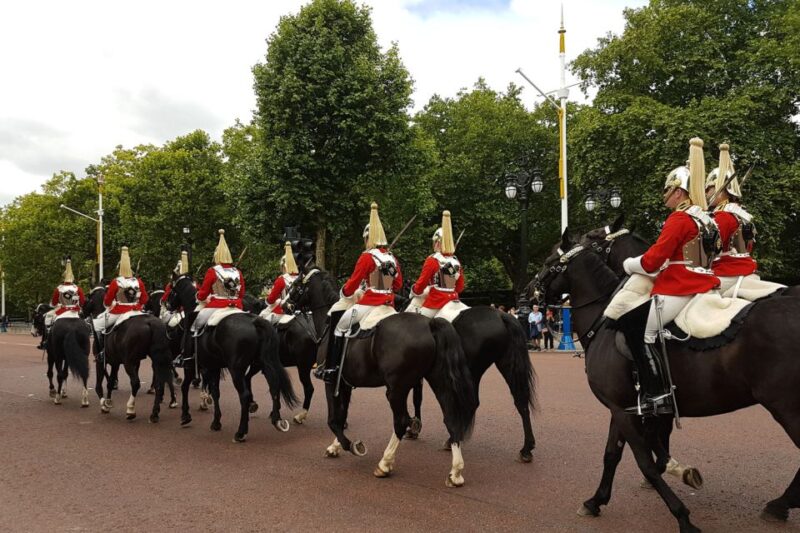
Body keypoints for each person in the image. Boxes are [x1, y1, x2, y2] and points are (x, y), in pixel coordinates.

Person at [623, 137, 721, 416]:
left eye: (668, 190)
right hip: (704, 282)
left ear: (679, 192)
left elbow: (654, 261)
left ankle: (658, 394)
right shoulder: (706, 219)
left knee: (638, 329)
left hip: (681, 286)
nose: (664, 195)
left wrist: (630, 264)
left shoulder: (679, 219)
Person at [315, 202, 403, 383]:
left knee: (340, 325)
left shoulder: (367, 256)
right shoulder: (392, 258)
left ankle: (332, 368)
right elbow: (398, 284)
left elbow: (353, 283)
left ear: (367, 238)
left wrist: (346, 293)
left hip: (370, 303)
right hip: (389, 304)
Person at [705, 143, 784, 298]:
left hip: (727, 272)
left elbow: (708, 251)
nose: (706, 192)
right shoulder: (742, 214)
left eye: (708, 188)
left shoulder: (722, 216)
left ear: (720, 188)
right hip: (747, 268)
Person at [409, 210, 466, 318]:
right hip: (454, 299)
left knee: (417, 322)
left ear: (437, 242)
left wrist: (414, 291)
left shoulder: (433, 260)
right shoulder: (455, 261)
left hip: (436, 302)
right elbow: (460, 287)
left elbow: (422, 283)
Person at [93, 247, 148, 352]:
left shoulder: (116, 282)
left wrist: (107, 305)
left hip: (119, 311)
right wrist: (137, 305)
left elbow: (108, 301)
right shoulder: (138, 282)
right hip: (136, 310)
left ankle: (101, 351)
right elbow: (144, 299)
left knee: (97, 325)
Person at [191, 229, 244, 334]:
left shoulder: (212, 271)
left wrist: (199, 297)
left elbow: (203, 294)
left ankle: (194, 346)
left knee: (196, 326)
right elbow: (241, 294)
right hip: (237, 305)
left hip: (217, 306)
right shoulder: (237, 272)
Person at [39, 259, 86, 349]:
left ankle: (46, 341)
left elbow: (53, 304)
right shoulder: (78, 288)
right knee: (86, 325)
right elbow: (82, 302)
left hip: (62, 311)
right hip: (75, 312)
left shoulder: (59, 288)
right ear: (73, 278)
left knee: (48, 320)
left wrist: (59, 305)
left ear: (63, 278)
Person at [261, 242, 300, 324]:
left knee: (263, 323)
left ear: (284, 266)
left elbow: (271, 300)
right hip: (301, 311)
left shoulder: (281, 279)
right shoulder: (301, 278)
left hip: (284, 312)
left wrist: (267, 300)